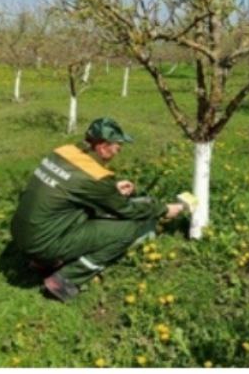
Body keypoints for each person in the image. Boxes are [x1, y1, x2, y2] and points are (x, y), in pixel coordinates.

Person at [10, 117, 187, 302]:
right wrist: (164, 209)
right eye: (117, 148)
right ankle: (66, 279)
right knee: (128, 228)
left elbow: (70, 189)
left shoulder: (62, 152)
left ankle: (42, 262)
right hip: (42, 242)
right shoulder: (95, 176)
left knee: (81, 212)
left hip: (21, 232)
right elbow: (127, 210)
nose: (118, 153)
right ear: (103, 147)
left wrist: (112, 190)